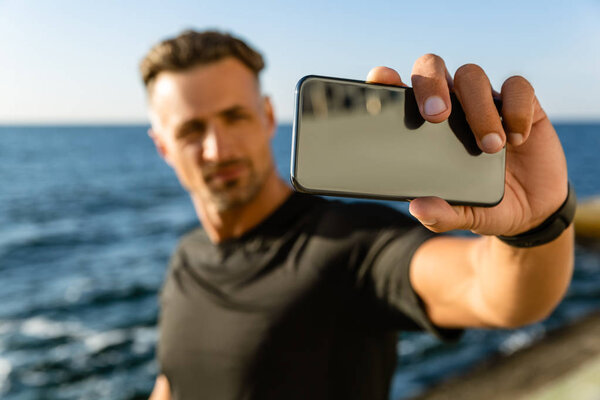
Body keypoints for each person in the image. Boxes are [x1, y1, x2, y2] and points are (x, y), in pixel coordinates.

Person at [140, 30, 574, 400]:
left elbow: (493, 293)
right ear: (162, 146)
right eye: (191, 130)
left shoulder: (352, 242)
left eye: (234, 117)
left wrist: (538, 224)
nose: (218, 149)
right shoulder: (187, 256)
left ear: (268, 117)